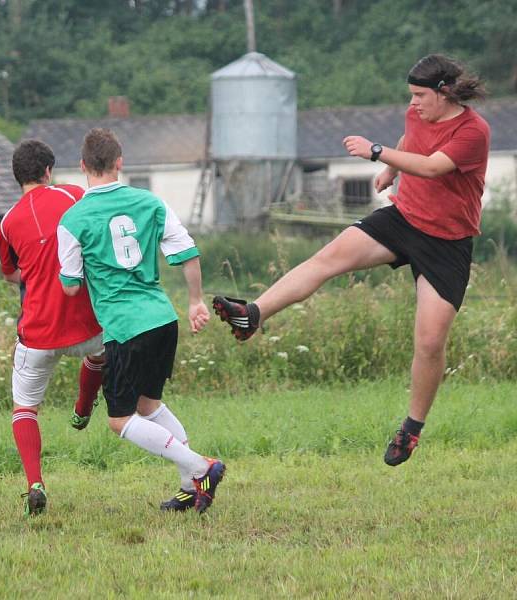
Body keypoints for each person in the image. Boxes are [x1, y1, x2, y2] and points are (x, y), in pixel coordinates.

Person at [213, 54, 489, 467]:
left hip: (447, 242)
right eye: (410, 95)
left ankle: (411, 429)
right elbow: (412, 139)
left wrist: (378, 154)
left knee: (430, 342)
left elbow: (433, 168)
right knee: (328, 258)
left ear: (444, 91)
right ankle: (252, 314)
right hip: (404, 217)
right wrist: (392, 175)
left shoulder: (474, 131)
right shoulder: (418, 113)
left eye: (419, 95)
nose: (412, 103)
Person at [57, 128, 225, 514]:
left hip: (125, 327)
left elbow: (69, 286)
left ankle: (202, 467)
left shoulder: (73, 218)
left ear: (82, 167)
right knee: (149, 405)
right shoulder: (150, 202)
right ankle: (190, 487)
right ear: (120, 163)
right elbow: (187, 252)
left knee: (120, 420)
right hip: (162, 319)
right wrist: (196, 301)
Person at [0, 139, 105, 516]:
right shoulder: (73, 195)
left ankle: (35, 482)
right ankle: (83, 407)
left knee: (25, 408)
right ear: (48, 171)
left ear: (18, 177)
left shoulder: (8, 222)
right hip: (84, 323)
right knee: (101, 352)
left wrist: (35, 271)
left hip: (38, 330)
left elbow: (10, 273)